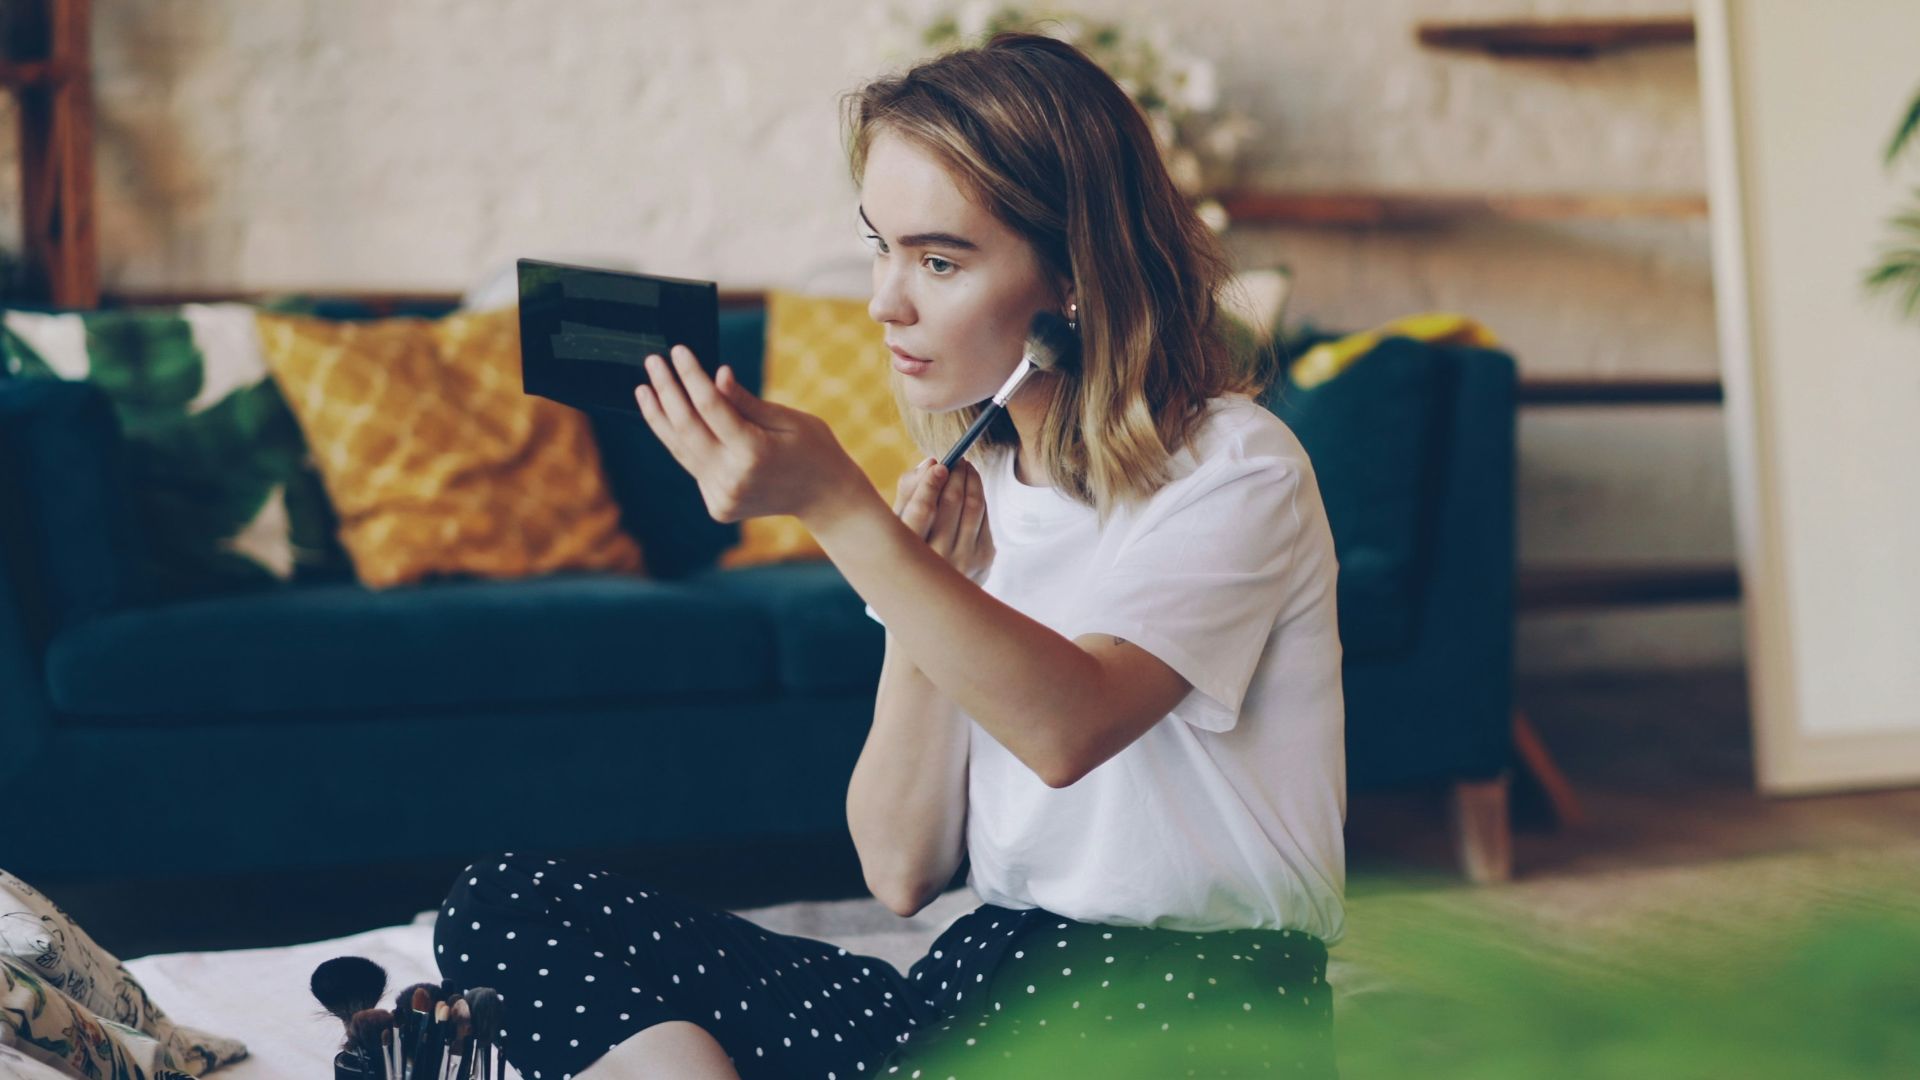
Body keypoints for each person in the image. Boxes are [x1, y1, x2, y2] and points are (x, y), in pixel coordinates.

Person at [434, 31, 1345, 1080]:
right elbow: (901, 869)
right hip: (982, 982)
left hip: (1189, 1003)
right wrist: (929, 595)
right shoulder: (980, 489)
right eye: (879, 244)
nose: (884, 300)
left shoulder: (1236, 469)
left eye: (939, 260)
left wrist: (840, 511)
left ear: (1078, 282)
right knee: (506, 907)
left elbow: (1069, 724)